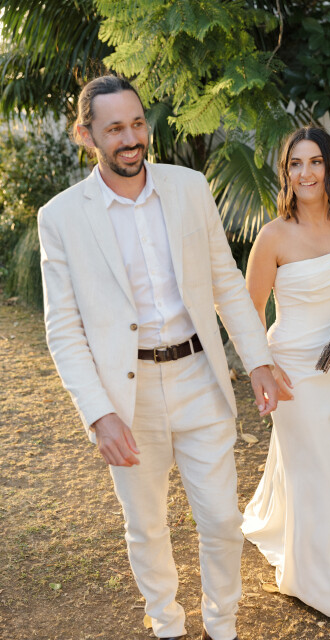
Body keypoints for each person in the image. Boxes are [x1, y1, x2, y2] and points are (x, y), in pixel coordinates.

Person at [38, 75, 278, 640]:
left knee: (222, 520)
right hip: (129, 394)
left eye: (138, 124)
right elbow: (64, 330)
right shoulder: (60, 216)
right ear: (86, 134)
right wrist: (99, 414)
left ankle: (222, 626)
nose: (131, 139)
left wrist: (258, 360)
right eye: (114, 129)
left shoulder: (189, 187)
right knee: (145, 526)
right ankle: (167, 626)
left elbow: (225, 282)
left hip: (200, 377)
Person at [241, 125, 330, 628]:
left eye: (315, 162)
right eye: (295, 163)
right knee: (320, 466)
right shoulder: (273, 236)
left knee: (325, 456)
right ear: (286, 173)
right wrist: (264, 365)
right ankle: (321, 580)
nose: (306, 172)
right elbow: (248, 312)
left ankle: (302, 540)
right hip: (293, 370)